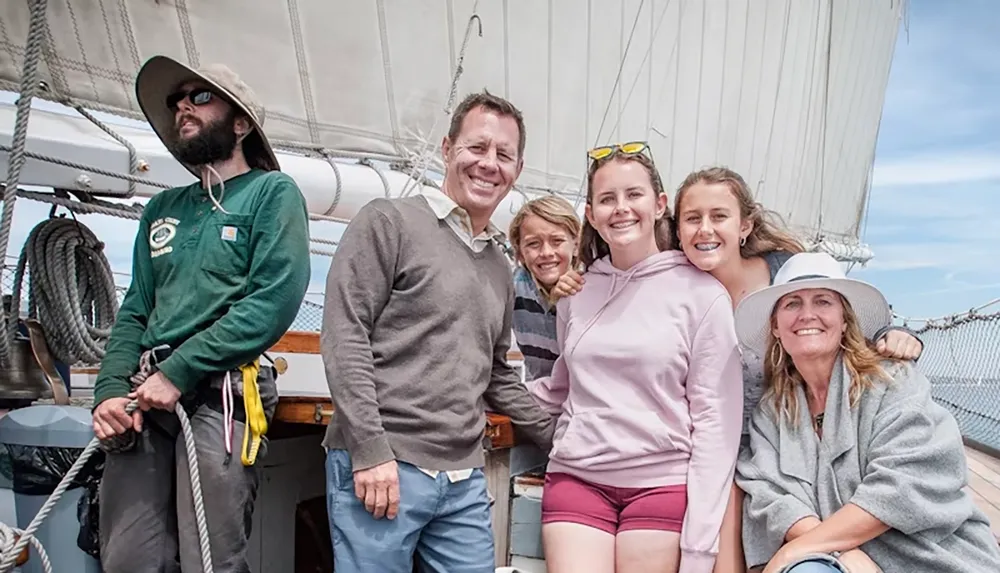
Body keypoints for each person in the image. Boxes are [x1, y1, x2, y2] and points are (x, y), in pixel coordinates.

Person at [553, 166, 924, 572]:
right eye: (693, 219)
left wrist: (894, 331)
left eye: (719, 217)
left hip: (786, 443)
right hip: (728, 451)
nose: (704, 230)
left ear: (745, 225)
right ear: (676, 230)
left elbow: (838, 317)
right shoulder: (679, 284)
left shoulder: (786, 279)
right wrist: (567, 287)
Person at [321, 90, 557, 573]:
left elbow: (494, 372)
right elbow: (346, 336)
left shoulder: (498, 262)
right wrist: (369, 451)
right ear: (448, 149)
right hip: (383, 465)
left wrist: (559, 438)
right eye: (477, 147)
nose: (489, 164)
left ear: (517, 168)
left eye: (503, 155)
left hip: (463, 480)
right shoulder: (389, 222)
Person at [90, 56, 311, 573]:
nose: (183, 105)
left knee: (209, 559)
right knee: (128, 558)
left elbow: (272, 300)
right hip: (144, 394)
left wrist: (180, 370)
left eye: (200, 96)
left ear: (240, 123)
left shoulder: (271, 194)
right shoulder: (162, 208)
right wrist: (106, 394)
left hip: (222, 394)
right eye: (177, 101)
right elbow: (135, 312)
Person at [527, 142, 743, 573]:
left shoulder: (702, 295)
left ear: (660, 204)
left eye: (634, 195)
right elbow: (562, 387)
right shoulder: (577, 292)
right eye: (607, 199)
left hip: (661, 485)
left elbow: (716, 424)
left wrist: (700, 548)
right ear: (590, 214)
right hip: (576, 477)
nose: (621, 208)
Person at [733, 252, 1000, 573]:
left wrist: (797, 550)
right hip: (834, 560)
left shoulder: (892, 380)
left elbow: (904, 484)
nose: (807, 315)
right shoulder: (772, 412)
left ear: (845, 321)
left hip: (928, 556)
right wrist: (839, 551)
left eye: (823, 302)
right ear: (776, 327)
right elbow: (771, 494)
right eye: (792, 304)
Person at [508, 196, 582, 380]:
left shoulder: (591, 285)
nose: (547, 253)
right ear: (520, 254)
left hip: (586, 398)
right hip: (540, 395)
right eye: (533, 244)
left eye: (557, 241)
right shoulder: (512, 289)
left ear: (576, 246)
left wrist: (562, 304)